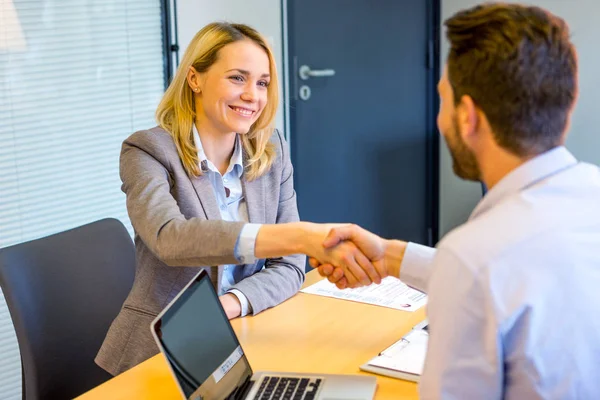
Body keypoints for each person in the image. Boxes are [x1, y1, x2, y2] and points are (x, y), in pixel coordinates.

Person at [312, 3, 600, 399]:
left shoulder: (475, 257)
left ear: (467, 117)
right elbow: (516, 279)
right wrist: (390, 255)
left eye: (443, 99)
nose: (439, 118)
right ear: (567, 106)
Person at [95, 22, 377, 376]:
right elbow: (170, 238)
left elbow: (290, 267)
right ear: (195, 79)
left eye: (262, 83)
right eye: (237, 78)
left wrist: (231, 304)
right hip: (161, 351)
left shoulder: (271, 152)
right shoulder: (148, 151)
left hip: (245, 333)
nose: (253, 96)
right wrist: (301, 237)